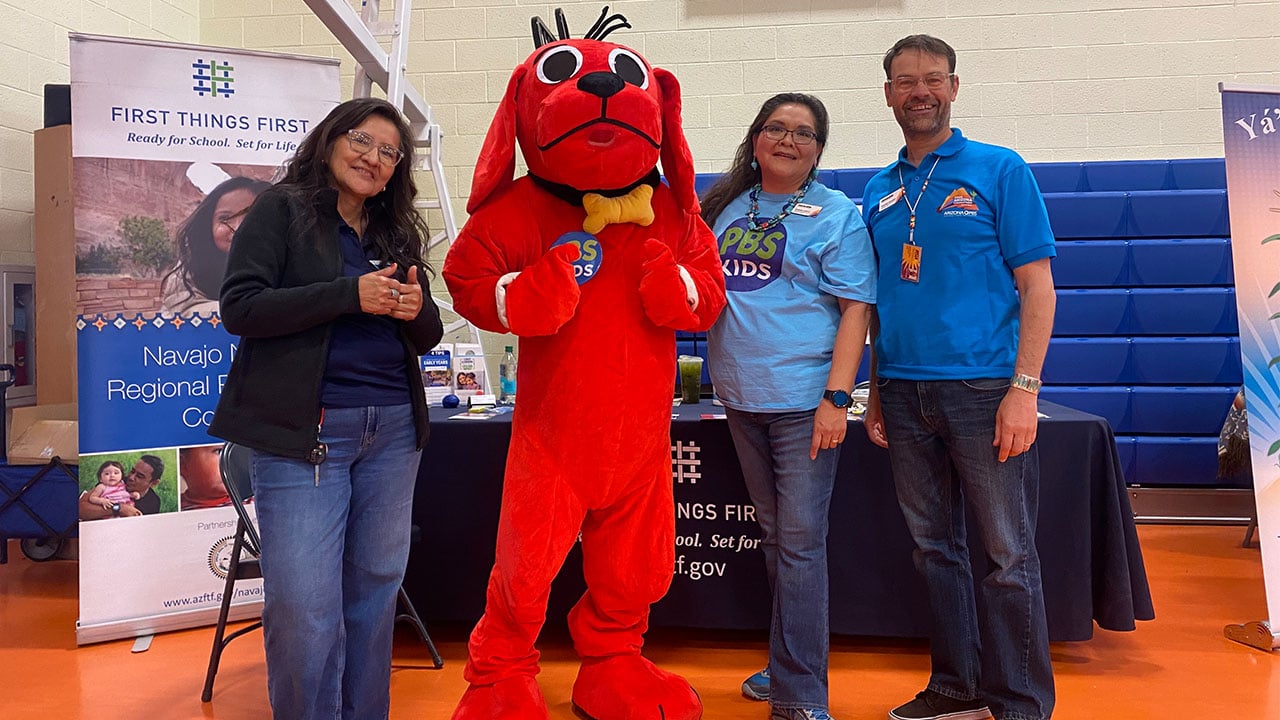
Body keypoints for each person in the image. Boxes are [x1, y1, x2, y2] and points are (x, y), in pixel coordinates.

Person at [208, 97, 444, 720]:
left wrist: (411, 309)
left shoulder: (394, 232)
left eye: (390, 152)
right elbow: (243, 308)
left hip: (393, 430)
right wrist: (349, 294)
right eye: (362, 141)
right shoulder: (280, 210)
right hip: (305, 432)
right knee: (305, 608)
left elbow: (428, 336)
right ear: (332, 140)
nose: (374, 158)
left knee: (373, 592)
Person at [862, 35, 1057, 720]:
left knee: (1007, 556)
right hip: (906, 393)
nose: (920, 91)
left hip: (983, 392)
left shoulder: (1000, 170)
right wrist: (877, 391)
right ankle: (956, 686)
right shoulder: (879, 190)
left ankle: (1021, 702)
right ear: (888, 93)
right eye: (906, 80)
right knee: (932, 549)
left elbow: (1038, 289)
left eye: (933, 79)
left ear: (953, 87)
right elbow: (882, 301)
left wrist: (1023, 391)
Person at [700, 93, 876, 720]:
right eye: (776, 128)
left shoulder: (836, 215)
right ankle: (783, 663)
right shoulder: (722, 205)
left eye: (804, 133)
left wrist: (838, 397)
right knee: (778, 539)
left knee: (800, 545)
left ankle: (802, 696)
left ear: (819, 151)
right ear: (755, 139)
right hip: (741, 397)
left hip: (806, 400)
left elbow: (857, 307)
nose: (788, 140)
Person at [160, 175, 272, 314]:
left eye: (252, 217)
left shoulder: (291, 264)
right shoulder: (190, 268)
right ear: (208, 225)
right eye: (225, 218)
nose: (238, 228)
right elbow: (185, 311)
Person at [78, 455, 165, 521]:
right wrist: (119, 508)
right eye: (132, 471)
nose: (131, 477)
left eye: (139, 476)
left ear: (154, 483)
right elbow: (81, 509)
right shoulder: (116, 481)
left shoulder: (153, 502)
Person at [179, 444, 231, 510]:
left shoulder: (246, 501)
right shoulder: (174, 507)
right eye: (219, 451)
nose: (232, 461)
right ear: (182, 464)